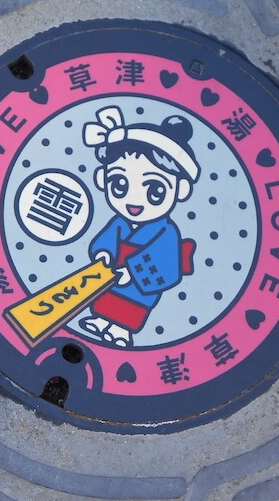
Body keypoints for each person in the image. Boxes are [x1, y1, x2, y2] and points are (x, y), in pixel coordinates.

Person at [81, 106, 199, 347]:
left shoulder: (166, 231)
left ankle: (121, 332)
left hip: (139, 285)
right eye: (120, 184)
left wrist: (132, 272)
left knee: (129, 311)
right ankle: (102, 322)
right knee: (105, 301)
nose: (134, 200)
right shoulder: (120, 222)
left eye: (154, 190)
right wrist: (104, 254)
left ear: (181, 189)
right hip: (114, 274)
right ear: (103, 179)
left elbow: (165, 262)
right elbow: (107, 239)